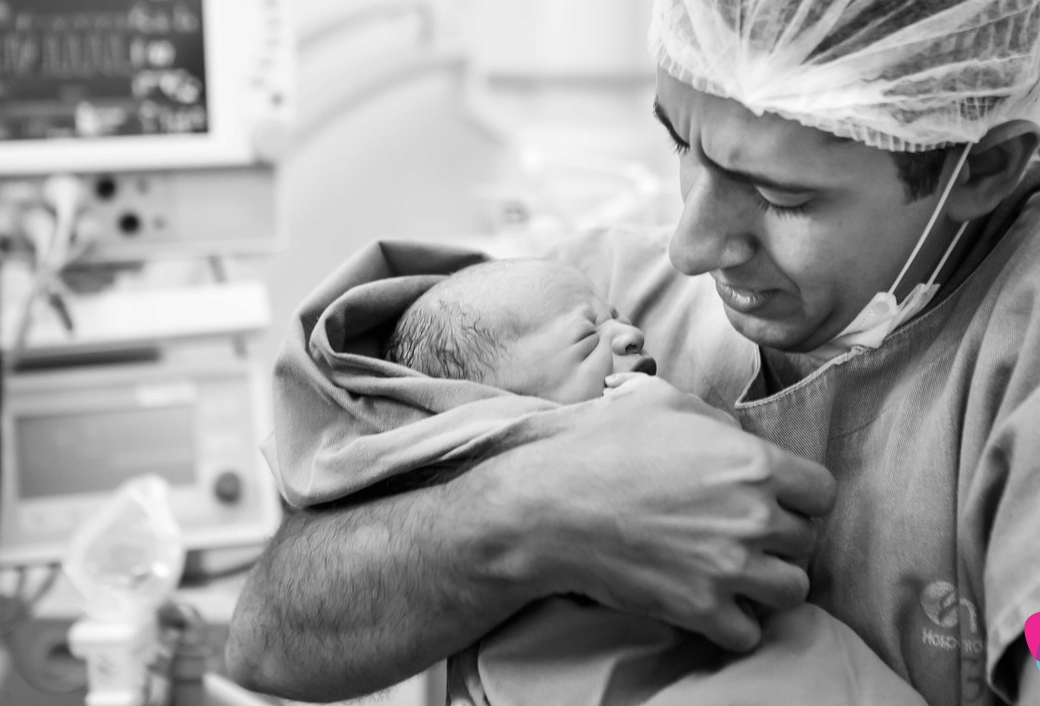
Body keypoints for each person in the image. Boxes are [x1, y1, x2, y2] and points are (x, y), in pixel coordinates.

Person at [227, 0, 1040, 704]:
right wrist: (532, 513)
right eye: (682, 145)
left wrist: (1038, 622)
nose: (690, 244)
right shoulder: (595, 300)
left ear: (983, 168)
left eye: (779, 196)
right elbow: (272, 638)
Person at [288, 254, 926, 705]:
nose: (629, 330)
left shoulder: (648, 414)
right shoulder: (458, 471)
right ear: (486, 402)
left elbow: (751, 507)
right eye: (587, 336)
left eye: (615, 316)